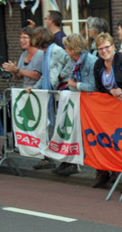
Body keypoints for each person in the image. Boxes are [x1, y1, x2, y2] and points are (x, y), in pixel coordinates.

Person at [25, 27, 77, 175]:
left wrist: (62, 75)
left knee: (64, 127)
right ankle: (60, 159)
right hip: (55, 93)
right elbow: (46, 75)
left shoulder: (56, 51)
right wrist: (35, 87)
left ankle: (70, 162)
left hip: (62, 92)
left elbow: (70, 61)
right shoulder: (46, 53)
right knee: (58, 127)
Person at [93, 32, 122, 188]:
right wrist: (110, 92)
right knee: (106, 139)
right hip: (109, 110)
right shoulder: (98, 64)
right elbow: (99, 86)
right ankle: (106, 171)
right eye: (100, 49)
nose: (104, 51)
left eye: (107, 47)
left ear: (113, 46)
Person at [63, 33, 100, 185]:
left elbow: (93, 86)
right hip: (82, 104)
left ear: (73, 49)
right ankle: (100, 171)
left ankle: (103, 172)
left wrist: (74, 85)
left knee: (96, 139)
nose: (65, 51)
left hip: (92, 106)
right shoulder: (75, 62)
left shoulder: (90, 61)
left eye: (67, 48)